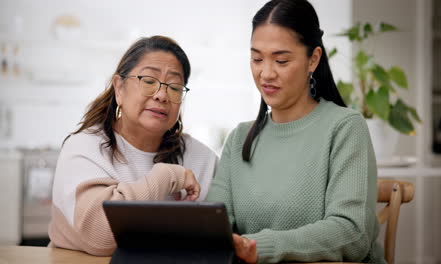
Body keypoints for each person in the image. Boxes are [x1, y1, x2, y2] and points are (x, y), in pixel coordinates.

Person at [206, 0, 385, 263]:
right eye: (256, 58)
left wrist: (258, 247)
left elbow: (352, 233)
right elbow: (213, 226)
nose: (265, 73)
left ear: (312, 59)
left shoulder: (345, 127)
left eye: (281, 60)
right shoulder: (239, 139)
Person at [48, 36, 218, 256]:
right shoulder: (84, 148)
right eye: (148, 82)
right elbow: (101, 237)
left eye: (175, 87)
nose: (161, 95)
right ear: (120, 88)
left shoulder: (202, 159)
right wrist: (167, 176)